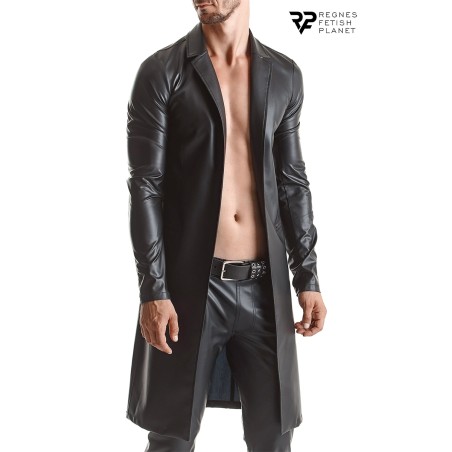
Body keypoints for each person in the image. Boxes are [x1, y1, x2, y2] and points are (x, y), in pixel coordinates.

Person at [125, 1, 327, 450]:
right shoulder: (161, 72)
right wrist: (153, 289)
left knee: (275, 437)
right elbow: (145, 187)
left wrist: (307, 277)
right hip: (189, 288)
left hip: (265, 288)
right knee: (171, 436)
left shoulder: (284, 75)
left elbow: (292, 182)